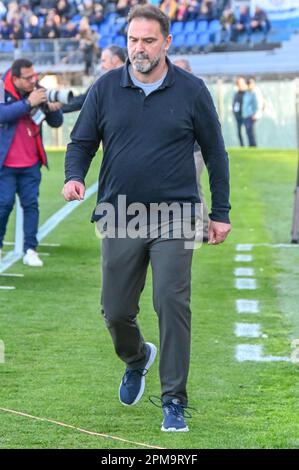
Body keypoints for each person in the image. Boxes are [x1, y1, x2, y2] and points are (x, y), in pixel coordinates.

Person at [63, 5, 231, 432]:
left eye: (149, 40)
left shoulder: (192, 90)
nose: (139, 48)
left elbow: (215, 154)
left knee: (172, 303)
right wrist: (74, 177)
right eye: (133, 40)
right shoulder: (105, 88)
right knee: (115, 310)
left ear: (167, 42)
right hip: (120, 215)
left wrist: (221, 213)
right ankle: (137, 357)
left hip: (177, 215)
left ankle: (174, 399)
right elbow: (81, 142)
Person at [0, 58, 63, 267]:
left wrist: (53, 108)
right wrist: (28, 103)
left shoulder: (37, 90)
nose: (32, 81)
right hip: (5, 163)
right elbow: (2, 114)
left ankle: (30, 249)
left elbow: (57, 123)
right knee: (3, 205)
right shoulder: (2, 87)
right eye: (27, 78)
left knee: (31, 205)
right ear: (15, 78)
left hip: (30, 162)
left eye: (34, 76)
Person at [172, 57, 209, 241]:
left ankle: (203, 228)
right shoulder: (172, 92)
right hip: (178, 151)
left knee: (193, 186)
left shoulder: (196, 91)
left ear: (189, 71)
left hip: (194, 149)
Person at [62, 45, 126, 114]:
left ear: (115, 59)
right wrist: (58, 106)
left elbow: (82, 101)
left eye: (104, 61)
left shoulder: (106, 82)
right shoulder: (104, 81)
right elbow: (83, 99)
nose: (102, 66)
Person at [242, 77, 264, 147]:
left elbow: (259, 104)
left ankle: (253, 146)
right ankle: (251, 146)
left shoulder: (255, 92)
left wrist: (256, 115)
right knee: (248, 132)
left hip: (252, 116)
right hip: (246, 115)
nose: (248, 85)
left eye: (249, 83)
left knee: (251, 133)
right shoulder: (247, 92)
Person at [232, 75, 247, 147]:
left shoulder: (247, 93)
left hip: (246, 115)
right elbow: (234, 104)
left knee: (248, 132)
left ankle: (251, 147)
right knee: (239, 132)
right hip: (238, 116)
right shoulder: (236, 94)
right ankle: (242, 146)